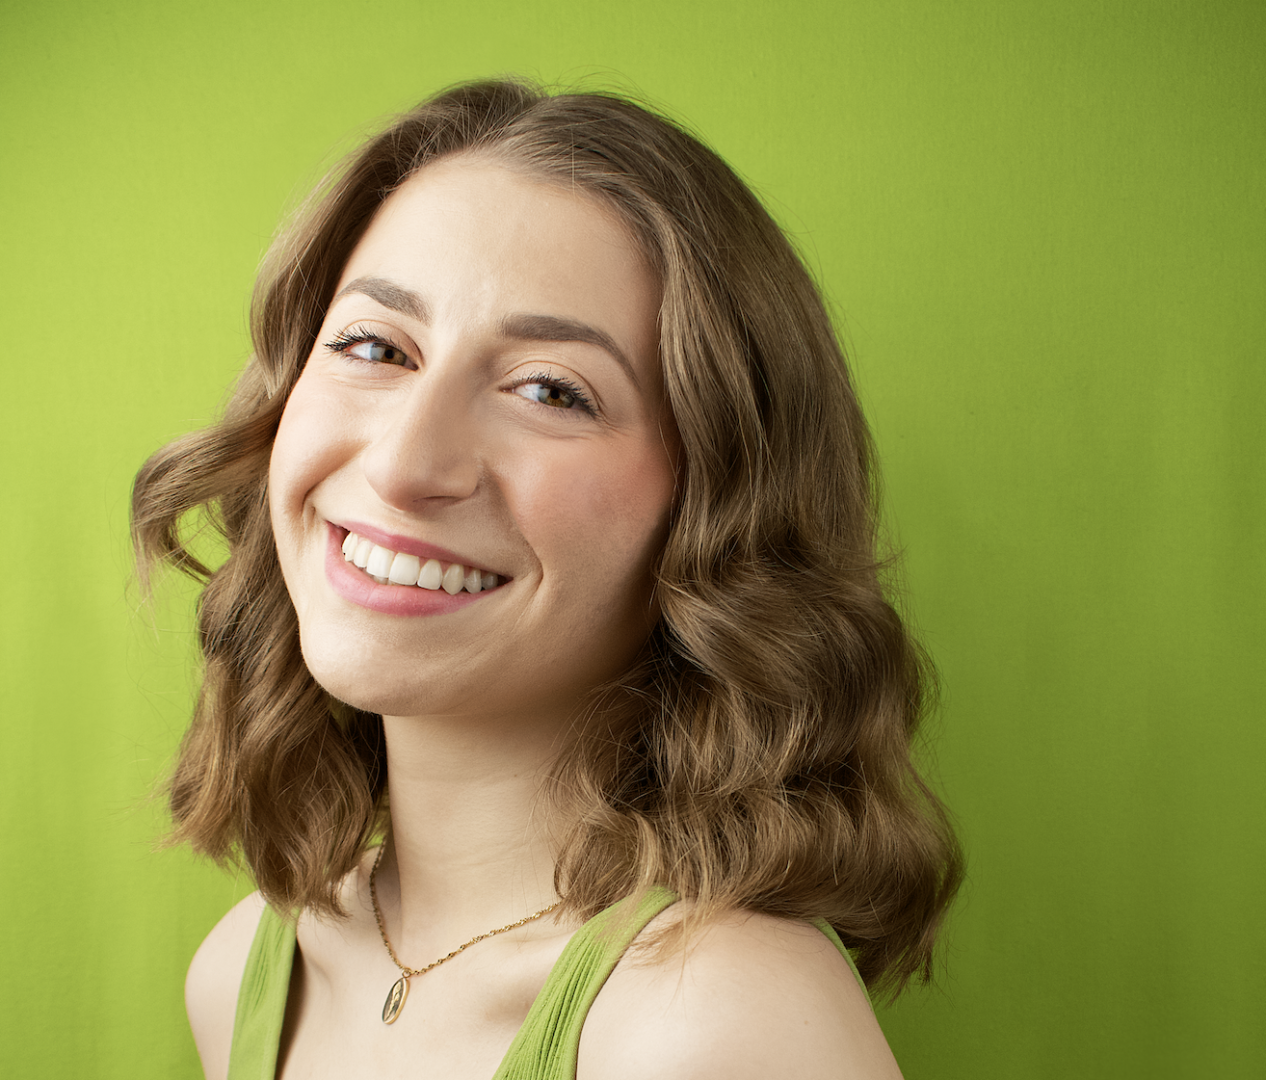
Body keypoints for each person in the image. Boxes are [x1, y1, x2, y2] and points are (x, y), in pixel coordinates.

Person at [132, 78, 962, 1080]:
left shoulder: (717, 1026)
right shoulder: (245, 969)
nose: (404, 463)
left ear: (715, 506)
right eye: (373, 345)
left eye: (551, 391)